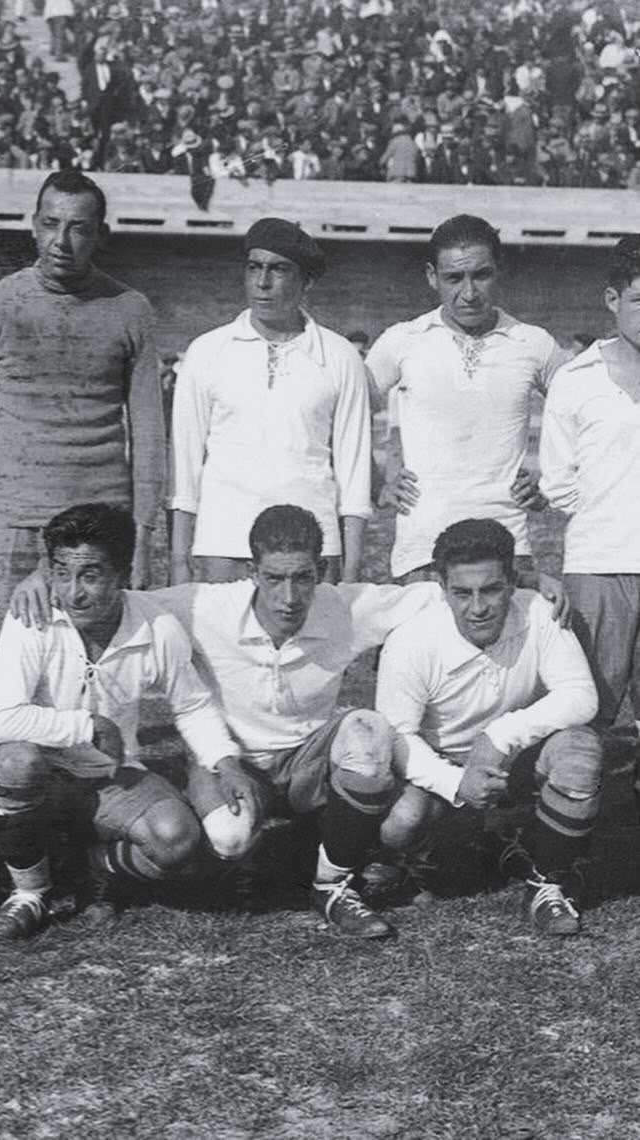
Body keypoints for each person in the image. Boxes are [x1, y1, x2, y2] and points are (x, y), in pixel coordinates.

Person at [154, 505, 441, 940]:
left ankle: (332, 884)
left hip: (310, 758)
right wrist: (43, 578)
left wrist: (535, 588)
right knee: (228, 839)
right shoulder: (205, 606)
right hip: (235, 760)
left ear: (320, 570)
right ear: (251, 571)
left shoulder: (346, 606)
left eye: (302, 578)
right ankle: (291, 847)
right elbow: (125, 605)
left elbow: (442, 592)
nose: (289, 597)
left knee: (369, 732)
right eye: (274, 578)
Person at [0, 502, 238, 941]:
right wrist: (88, 726)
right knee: (12, 763)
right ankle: (30, 893)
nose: (73, 592)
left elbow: (192, 706)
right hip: (44, 775)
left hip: (110, 775)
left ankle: (87, 868)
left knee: (177, 840)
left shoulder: (157, 625)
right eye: (62, 573)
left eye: (90, 576)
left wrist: (225, 762)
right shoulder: (33, 615)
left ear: (122, 574)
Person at [0, 170, 165, 619]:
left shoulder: (131, 310)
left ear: (101, 234)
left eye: (78, 228)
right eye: (50, 224)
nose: (60, 240)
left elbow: (149, 437)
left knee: (97, 670)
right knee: (16, 668)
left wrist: (142, 541)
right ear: (33, 224)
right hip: (13, 522)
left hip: (101, 523)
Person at [375, 519, 601, 936]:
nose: (477, 608)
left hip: (508, 757)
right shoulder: (412, 640)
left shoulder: (540, 611)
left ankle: (549, 883)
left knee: (579, 751)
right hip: (438, 763)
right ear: (442, 589)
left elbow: (581, 696)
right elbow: (397, 734)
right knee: (401, 819)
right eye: (462, 593)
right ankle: (425, 852)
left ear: (513, 583)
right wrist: (454, 781)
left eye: (491, 589)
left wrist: (500, 736)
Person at [365, 214, 567, 581]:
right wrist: (376, 483)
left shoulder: (534, 343)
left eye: (481, 275)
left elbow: (587, 412)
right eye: (454, 278)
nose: (469, 293)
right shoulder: (403, 340)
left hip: (507, 544)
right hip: (423, 546)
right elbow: (343, 411)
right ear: (432, 277)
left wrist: (550, 484)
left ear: (498, 271)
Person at [169, 218, 371, 586]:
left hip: (312, 549)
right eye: (254, 268)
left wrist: (352, 571)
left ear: (306, 281)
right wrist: (180, 561)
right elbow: (185, 464)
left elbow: (354, 474)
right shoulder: (207, 351)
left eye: (278, 270)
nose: (262, 283)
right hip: (224, 543)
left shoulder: (340, 356)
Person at [539, 235, 640, 750]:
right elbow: (558, 483)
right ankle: (569, 814)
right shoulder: (578, 379)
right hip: (600, 566)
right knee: (587, 708)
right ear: (613, 301)